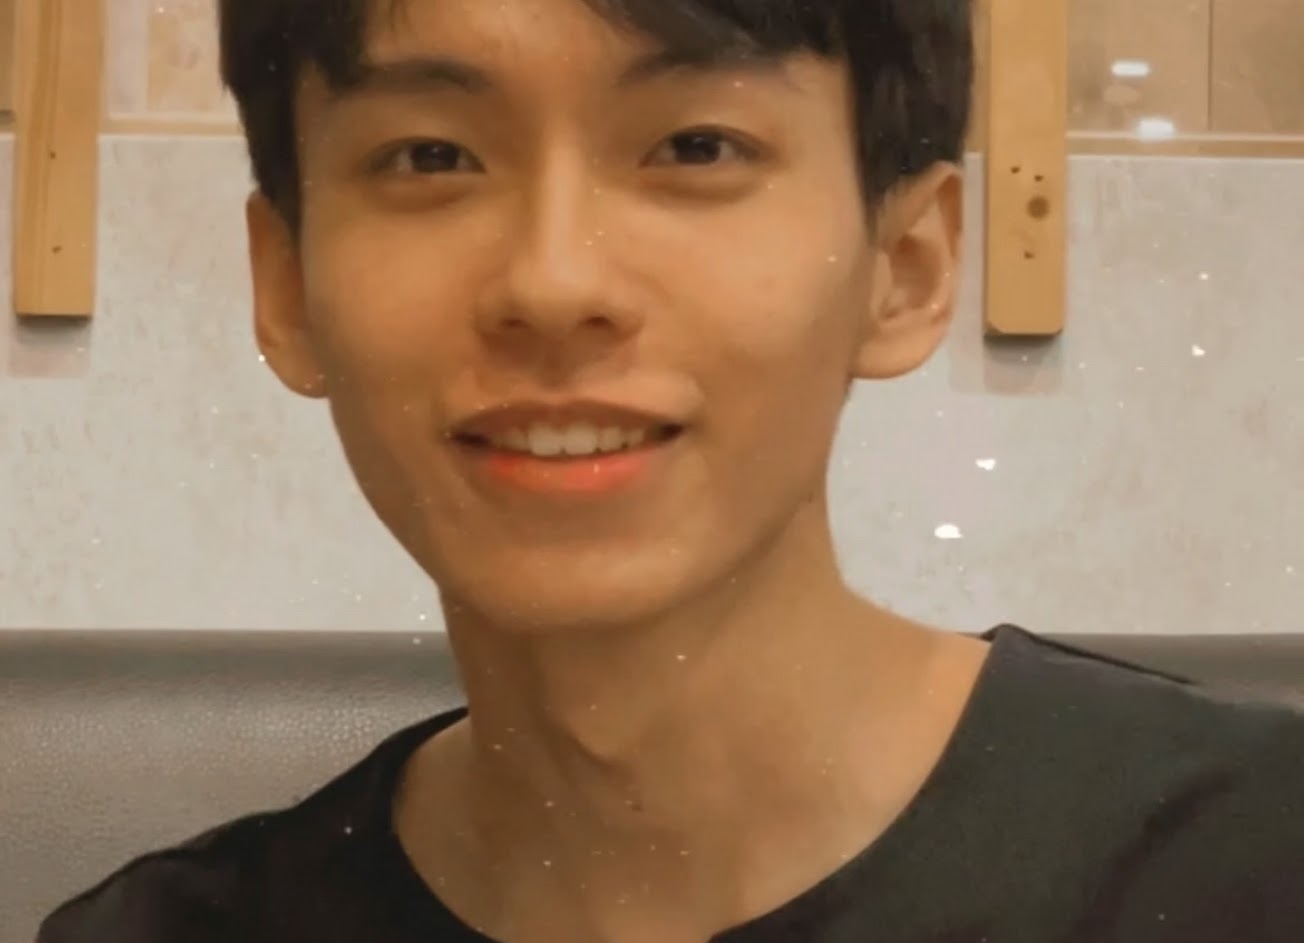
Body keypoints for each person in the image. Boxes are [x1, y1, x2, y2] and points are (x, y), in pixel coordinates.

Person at [38, 0, 1304, 940]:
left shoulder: (1247, 861)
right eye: (431, 156)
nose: (553, 283)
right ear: (284, 287)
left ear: (905, 265)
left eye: (695, 146)